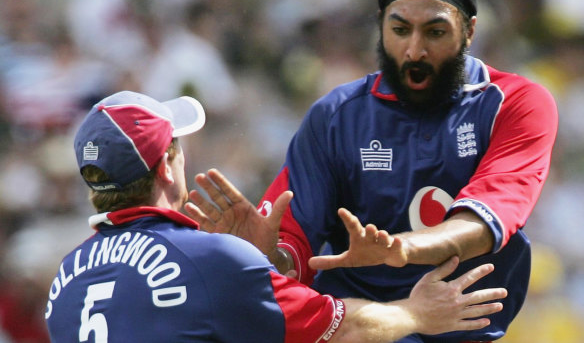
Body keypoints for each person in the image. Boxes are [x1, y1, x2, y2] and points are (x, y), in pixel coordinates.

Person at [185, 0, 558, 342]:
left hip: (461, 329)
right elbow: (294, 246)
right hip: (359, 329)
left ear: (469, 30)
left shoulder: (515, 103)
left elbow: (484, 223)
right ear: (381, 26)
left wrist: (400, 249)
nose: (415, 50)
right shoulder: (335, 116)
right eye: (400, 29)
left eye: (435, 32)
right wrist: (265, 255)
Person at [44, 90, 507, 343]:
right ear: (167, 164)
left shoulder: (65, 279)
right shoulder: (209, 259)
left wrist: (263, 262)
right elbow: (345, 328)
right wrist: (416, 312)